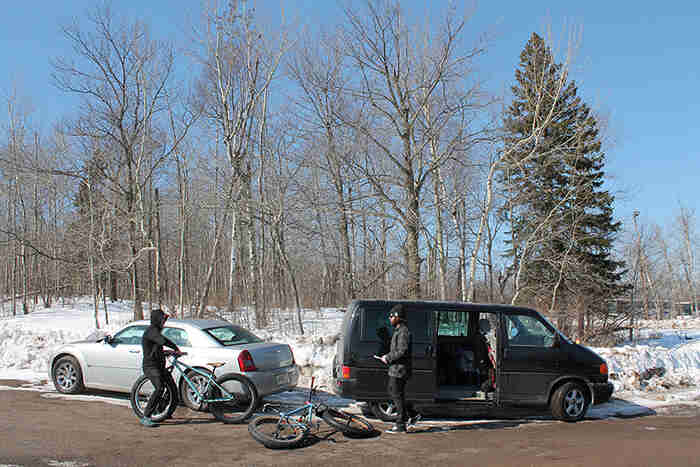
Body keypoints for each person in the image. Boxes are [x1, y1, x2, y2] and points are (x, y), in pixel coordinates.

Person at [139, 309, 180, 427]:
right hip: (150, 366)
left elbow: (161, 343)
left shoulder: (156, 331)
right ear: (157, 320)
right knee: (159, 388)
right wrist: (171, 348)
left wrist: (175, 348)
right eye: (162, 319)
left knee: (173, 390)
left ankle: (165, 412)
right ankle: (146, 416)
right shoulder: (151, 331)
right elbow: (161, 341)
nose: (164, 322)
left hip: (160, 365)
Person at [379, 304, 413, 433]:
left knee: (396, 395)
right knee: (394, 393)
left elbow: (402, 351)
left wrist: (388, 357)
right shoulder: (398, 330)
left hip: (400, 370)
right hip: (395, 368)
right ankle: (410, 416)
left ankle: (400, 424)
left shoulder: (403, 332)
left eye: (392, 316)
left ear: (398, 317)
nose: (389, 318)